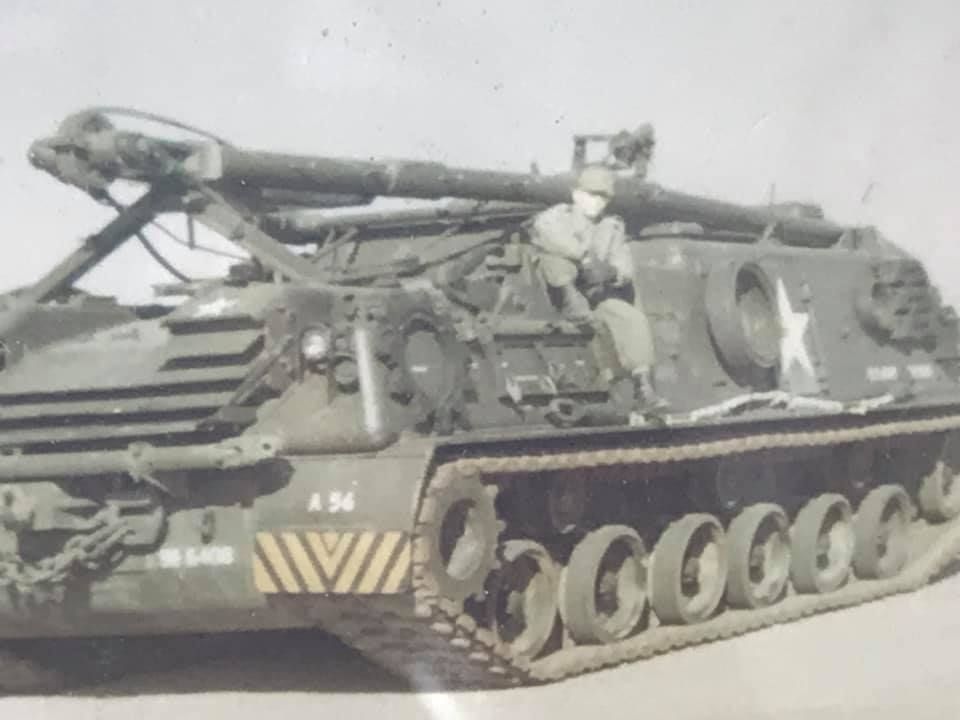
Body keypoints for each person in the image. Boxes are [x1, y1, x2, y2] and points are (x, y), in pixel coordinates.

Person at [529, 164, 667, 412]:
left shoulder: (612, 227)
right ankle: (575, 309)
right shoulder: (556, 216)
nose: (597, 202)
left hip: (595, 292)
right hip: (556, 292)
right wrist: (584, 257)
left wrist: (613, 272)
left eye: (604, 197)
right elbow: (546, 234)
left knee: (630, 317)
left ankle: (643, 386)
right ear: (576, 194)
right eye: (591, 194)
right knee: (557, 263)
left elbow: (624, 264)